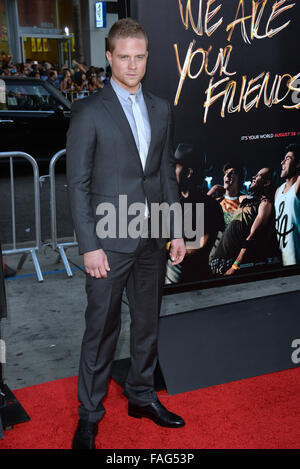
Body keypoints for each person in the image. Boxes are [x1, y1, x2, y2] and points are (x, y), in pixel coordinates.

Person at [67, 18, 186, 450]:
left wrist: (176, 230)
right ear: (110, 58)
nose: (132, 65)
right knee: (101, 328)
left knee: (147, 324)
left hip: (152, 236)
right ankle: (89, 415)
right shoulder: (88, 111)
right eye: (124, 57)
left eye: (139, 57)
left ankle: (141, 395)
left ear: (147, 57)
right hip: (108, 241)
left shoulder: (160, 107)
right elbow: (77, 185)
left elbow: (165, 177)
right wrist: (89, 246)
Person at [210, 167, 279, 275]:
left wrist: (235, 266)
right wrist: (213, 190)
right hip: (217, 263)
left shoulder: (265, 204)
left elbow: (253, 235)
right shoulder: (246, 199)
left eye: (258, 175)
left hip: (231, 264)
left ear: (266, 183)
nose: (254, 177)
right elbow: (231, 194)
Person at [274, 144, 300, 266]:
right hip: (282, 261)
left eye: (288, 158)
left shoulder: (297, 187)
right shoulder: (278, 191)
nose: (282, 162)